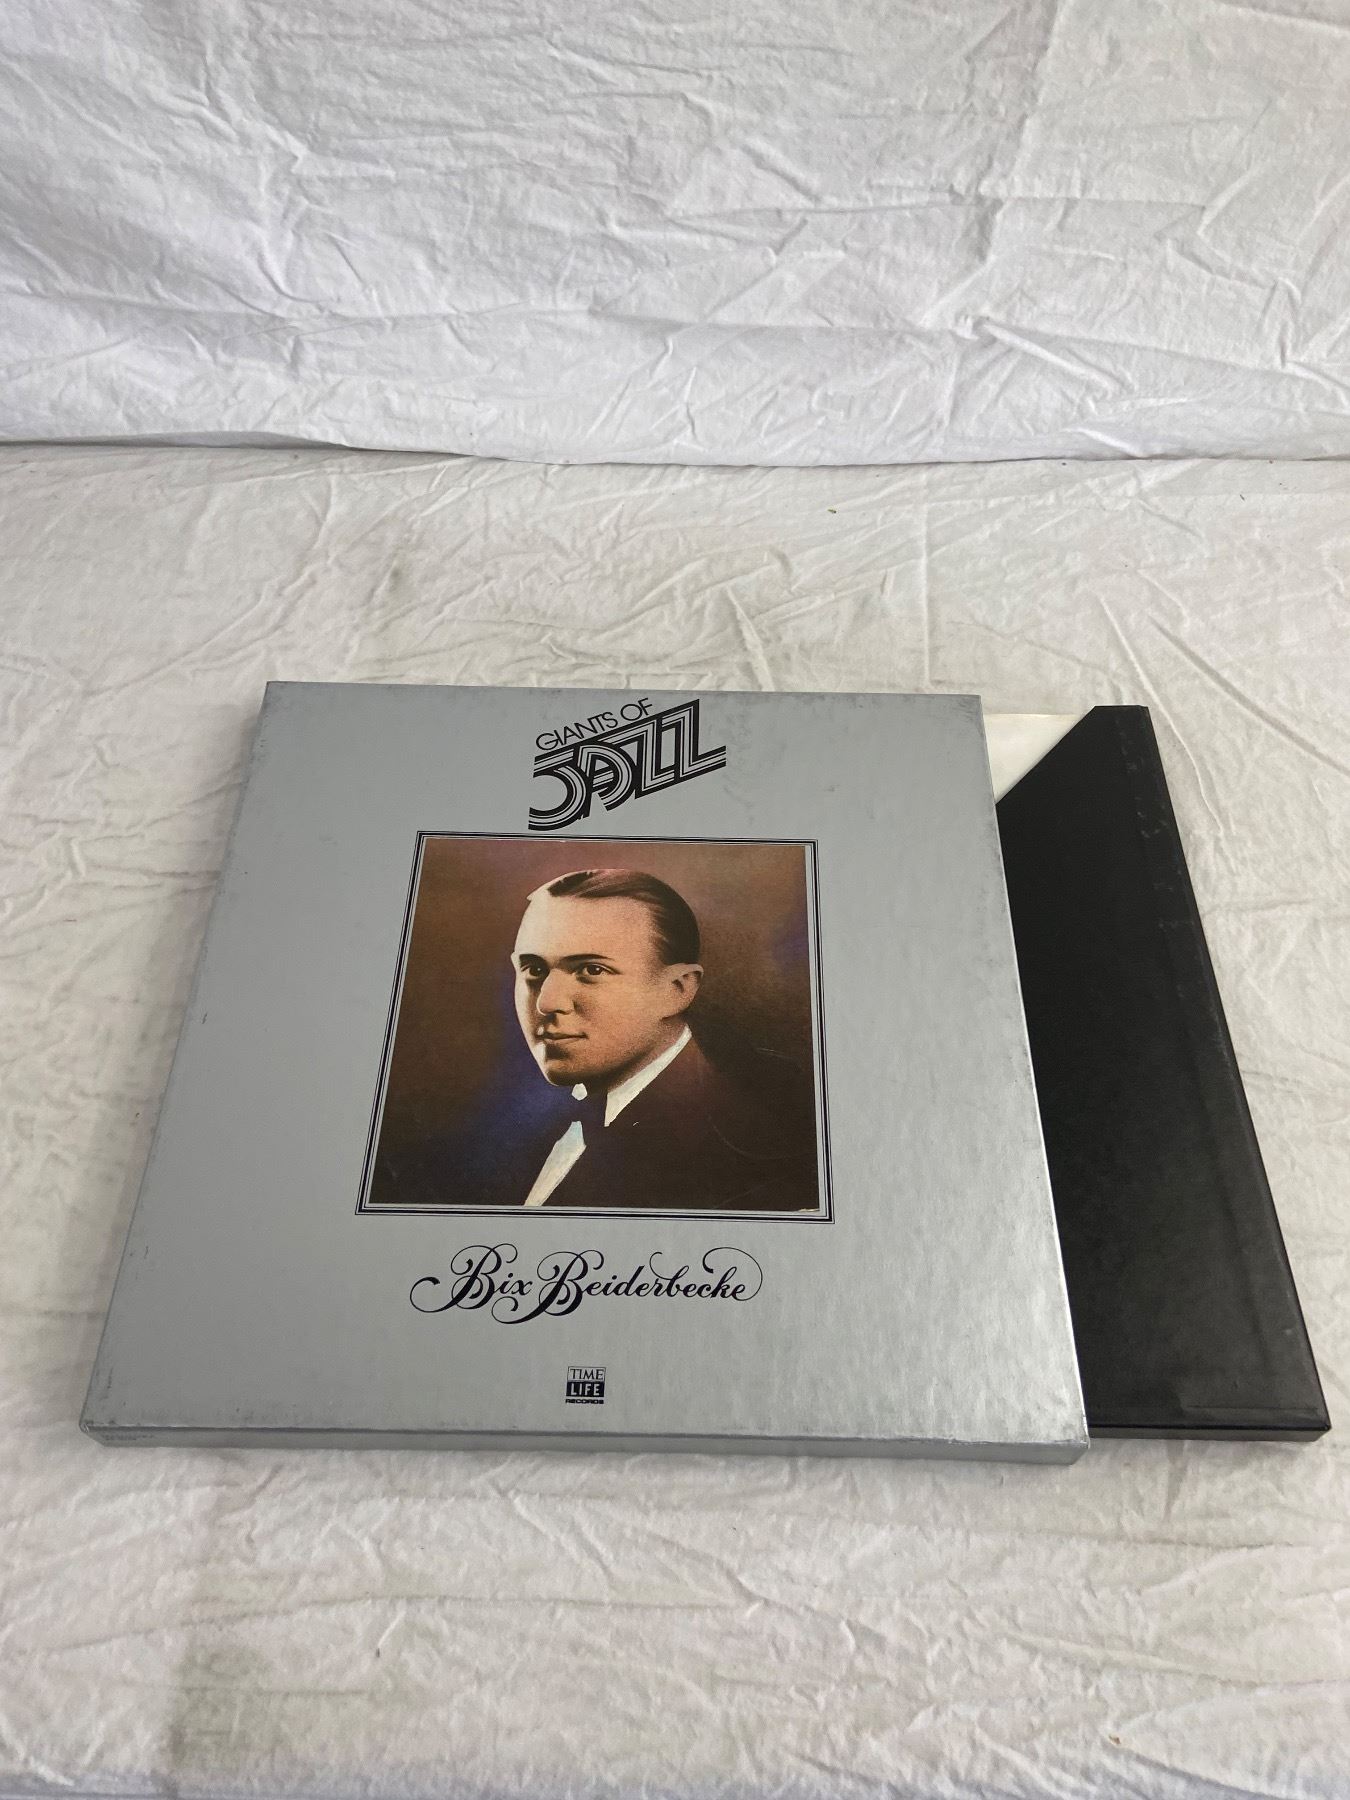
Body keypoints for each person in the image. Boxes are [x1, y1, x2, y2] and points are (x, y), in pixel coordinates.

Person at [501, 868, 820, 1212]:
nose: (547, 1002)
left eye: (592, 970)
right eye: (534, 970)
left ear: (676, 991)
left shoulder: (758, 1145)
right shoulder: (533, 1128)